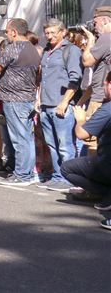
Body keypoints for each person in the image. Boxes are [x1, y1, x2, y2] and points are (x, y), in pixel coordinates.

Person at [0, 18, 43, 186]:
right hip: (26, 98)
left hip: (14, 99)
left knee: (20, 138)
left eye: (7, 31)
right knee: (26, 137)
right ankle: (25, 172)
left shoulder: (14, 48)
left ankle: (22, 175)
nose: (7, 34)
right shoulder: (33, 49)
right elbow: (38, 74)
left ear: (14, 32)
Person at [38, 18, 83, 191]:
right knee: (52, 145)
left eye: (53, 33)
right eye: (47, 33)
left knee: (65, 145)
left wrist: (65, 102)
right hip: (45, 105)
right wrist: (38, 99)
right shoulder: (47, 51)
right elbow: (42, 77)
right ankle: (57, 176)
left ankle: (68, 179)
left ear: (63, 32)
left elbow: (75, 79)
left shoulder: (71, 50)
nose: (49, 36)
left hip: (61, 105)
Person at [65, 70, 111, 230]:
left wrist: (81, 120)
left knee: (67, 169)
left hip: (106, 162)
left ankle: (107, 195)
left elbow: (81, 134)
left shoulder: (108, 108)